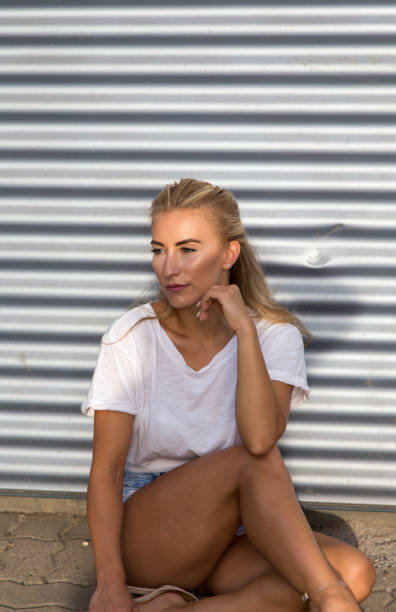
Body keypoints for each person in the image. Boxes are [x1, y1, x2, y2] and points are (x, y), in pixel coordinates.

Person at [82, 178, 375, 612]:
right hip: (150, 532)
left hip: (231, 532)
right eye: (158, 250)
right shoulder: (132, 337)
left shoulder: (275, 336)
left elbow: (259, 436)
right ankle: (334, 604)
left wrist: (245, 333)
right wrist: (110, 584)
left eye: (187, 249)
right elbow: (105, 470)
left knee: (353, 572)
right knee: (251, 467)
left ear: (229, 254)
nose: (168, 268)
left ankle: (174, 607)